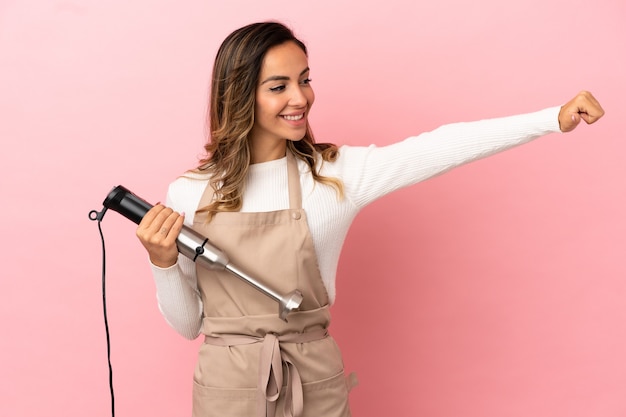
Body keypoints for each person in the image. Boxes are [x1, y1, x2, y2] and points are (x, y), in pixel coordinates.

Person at [135, 21, 604, 417]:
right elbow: (189, 324)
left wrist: (550, 118)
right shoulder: (192, 192)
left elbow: (437, 146)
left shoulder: (336, 175)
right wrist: (161, 262)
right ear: (239, 96)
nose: (301, 97)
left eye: (305, 78)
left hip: (314, 384)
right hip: (226, 390)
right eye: (278, 86)